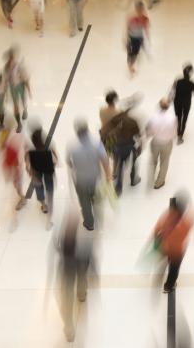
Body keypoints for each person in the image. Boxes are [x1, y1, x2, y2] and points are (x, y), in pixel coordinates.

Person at [53, 212, 96, 342]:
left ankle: (69, 328)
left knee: (66, 296)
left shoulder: (62, 233)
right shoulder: (85, 233)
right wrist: (94, 271)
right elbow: (90, 252)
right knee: (81, 280)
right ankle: (82, 295)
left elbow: (56, 246)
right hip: (79, 264)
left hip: (67, 267)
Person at [67, 120, 112, 231]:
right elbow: (105, 161)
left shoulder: (72, 145)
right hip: (95, 180)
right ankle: (98, 218)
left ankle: (89, 223)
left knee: (84, 201)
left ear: (77, 132)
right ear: (87, 130)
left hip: (80, 180)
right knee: (97, 200)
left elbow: (69, 162)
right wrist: (108, 176)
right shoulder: (96, 143)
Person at [151, 191, 194, 293]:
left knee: (164, 262)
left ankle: (159, 277)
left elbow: (157, 228)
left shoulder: (167, 216)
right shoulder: (185, 222)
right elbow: (184, 235)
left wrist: (155, 240)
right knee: (174, 270)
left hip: (165, 247)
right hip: (177, 252)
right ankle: (169, 286)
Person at [102, 99, 143, 194]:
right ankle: (133, 179)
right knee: (134, 161)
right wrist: (139, 146)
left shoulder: (115, 119)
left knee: (120, 165)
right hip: (128, 145)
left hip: (117, 146)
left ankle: (118, 188)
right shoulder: (133, 121)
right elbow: (138, 135)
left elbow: (107, 131)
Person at [146, 99, 177, 189]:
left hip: (155, 142)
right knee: (164, 162)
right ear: (168, 107)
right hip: (167, 143)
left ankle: (151, 177)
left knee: (153, 160)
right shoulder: (172, 118)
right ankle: (159, 182)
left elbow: (149, 132)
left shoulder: (153, 118)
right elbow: (174, 132)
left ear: (159, 106)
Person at [0, 119, 28, 211]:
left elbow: (15, 163)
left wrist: (15, 172)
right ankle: (21, 195)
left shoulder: (11, 146)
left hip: (14, 170)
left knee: (17, 185)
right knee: (16, 185)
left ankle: (22, 198)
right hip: (12, 168)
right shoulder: (9, 143)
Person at [27, 127, 58, 216]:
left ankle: (44, 205)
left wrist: (29, 169)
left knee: (38, 186)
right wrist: (55, 162)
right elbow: (54, 154)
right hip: (48, 168)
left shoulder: (31, 146)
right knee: (49, 184)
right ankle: (50, 199)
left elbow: (28, 157)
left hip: (36, 168)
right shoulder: (48, 144)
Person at [4, 47, 32, 131]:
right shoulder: (6, 67)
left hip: (20, 86)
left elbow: (26, 79)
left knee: (23, 101)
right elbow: (5, 80)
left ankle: (25, 109)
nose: (10, 60)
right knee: (15, 106)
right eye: (9, 58)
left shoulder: (20, 66)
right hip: (13, 88)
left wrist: (29, 90)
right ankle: (19, 124)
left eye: (11, 58)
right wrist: (5, 92)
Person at [170, 65, 194, 144]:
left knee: (178, 117)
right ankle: (180, 135)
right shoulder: (192, 83)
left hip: (177, 101)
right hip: (186, 102)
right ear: (190, 73)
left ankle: (178, 130)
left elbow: (173, 89)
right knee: (184, 118)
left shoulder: (177, 80)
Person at [124, 1, 151, 76]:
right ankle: (130, 67)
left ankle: (131, 66)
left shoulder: (145, 18)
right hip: (131, 38)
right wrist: (126, 38)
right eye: (138, 8)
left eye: (141, 9)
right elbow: (127, 28)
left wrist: (148, 38)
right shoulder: (131, 18)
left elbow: (146, 29)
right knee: (130, 53)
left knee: (135, 53)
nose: (139, 10)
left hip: (139, 39)